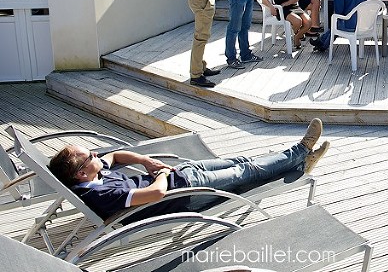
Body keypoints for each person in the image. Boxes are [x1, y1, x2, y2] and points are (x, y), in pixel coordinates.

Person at [49, 119, 330, 221]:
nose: (97, 154)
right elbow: (156, 194)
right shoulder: (104, 194)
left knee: (241, 162)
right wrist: (158, 174)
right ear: (80, 174)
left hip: (183, 174)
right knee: (248, 173)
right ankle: (301, 151)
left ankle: (299, 162)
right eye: (91, 156)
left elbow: (118, 154)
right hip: (184, 192)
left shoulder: (93, 177)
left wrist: (145, 162)